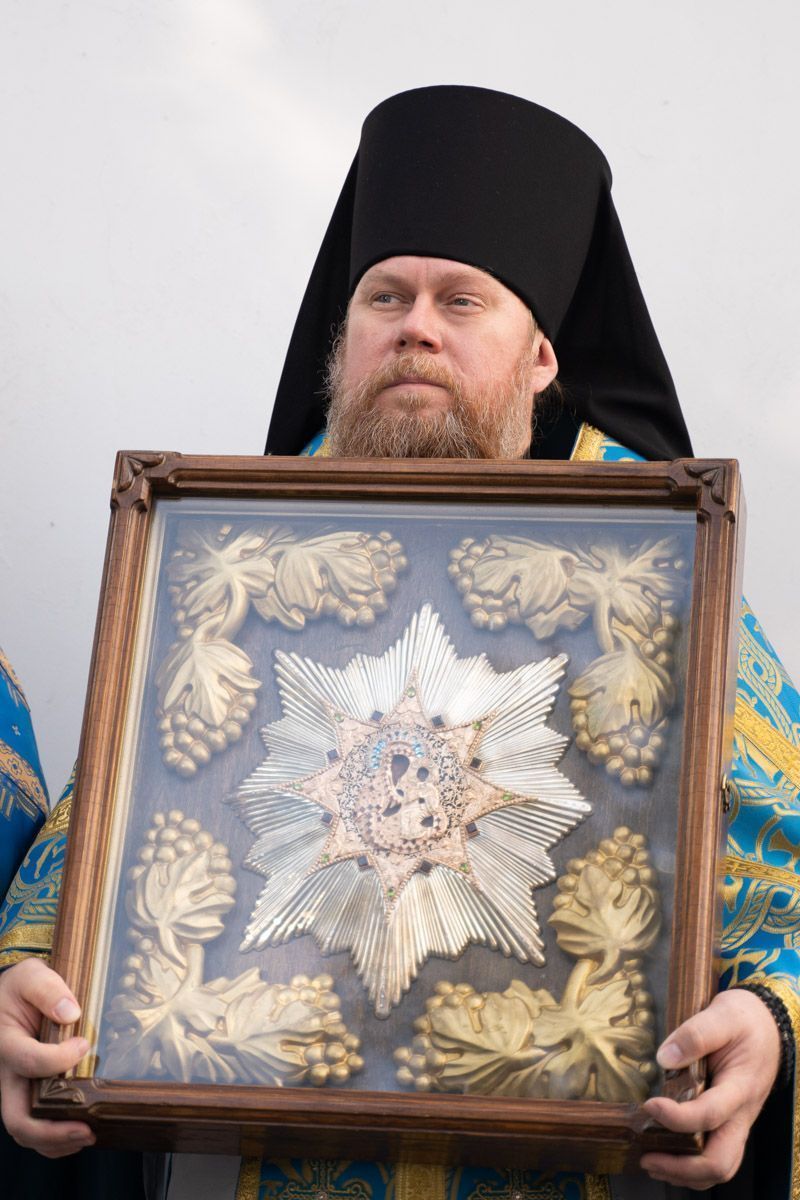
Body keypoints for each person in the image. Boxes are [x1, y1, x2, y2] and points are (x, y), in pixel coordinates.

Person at [1, 86, 798, 1200]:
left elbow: (779, 863)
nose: (415, 324)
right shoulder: (234, 554)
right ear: (347, 340)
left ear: (541, 359)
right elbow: (104, 834)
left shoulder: (652, 564)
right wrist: (24, 973)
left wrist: (767, 1017)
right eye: (386, 296)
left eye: (461, 300)